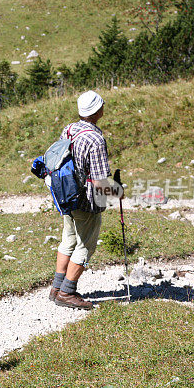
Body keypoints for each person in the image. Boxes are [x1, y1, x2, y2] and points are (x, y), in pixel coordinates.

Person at [50, 91, 122, 310]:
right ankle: (67, 292)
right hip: (86, 199)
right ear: (97, 111)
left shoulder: (69, 129)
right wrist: (117, 192)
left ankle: (56, 288)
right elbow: (100, 181)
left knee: (68, 240)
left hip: (65, 195)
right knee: (86, 245)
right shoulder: (96, 139)